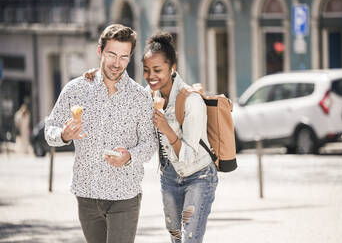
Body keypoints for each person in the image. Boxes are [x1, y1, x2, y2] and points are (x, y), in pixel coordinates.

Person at [85, 32, 218, 243]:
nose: (151, 76)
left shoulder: (191, 101)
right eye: (146, 70)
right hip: (169, 177)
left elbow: (190, 157)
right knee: (176, 238)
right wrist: (97, 74)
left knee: (190, 239)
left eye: (158, 70)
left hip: (198, 177)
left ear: (172, 68)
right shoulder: (149, 95)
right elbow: (124, 88)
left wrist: (166, 128)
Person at [44, 24, 157, 243]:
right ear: (99, 51)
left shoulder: (139, 97)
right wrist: (64, 135)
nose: (117, 63)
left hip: (124, 196)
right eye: (111, 55)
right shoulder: (75, 89)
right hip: (86, 193)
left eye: (124, 57)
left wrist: (129, 157)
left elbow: (150, 143)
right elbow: (50, 130)